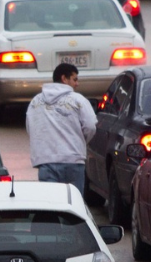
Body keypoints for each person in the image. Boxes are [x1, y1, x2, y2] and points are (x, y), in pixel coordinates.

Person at [25, 62, 97, 194]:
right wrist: (79, 142)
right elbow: (90, 126)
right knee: (73, 206)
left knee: (51, 207)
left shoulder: (35, 102)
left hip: (46, 161)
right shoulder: (78, 100)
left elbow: (31, 128)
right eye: (74, 79)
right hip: (73, 161)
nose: (77, 84)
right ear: (64, 79)